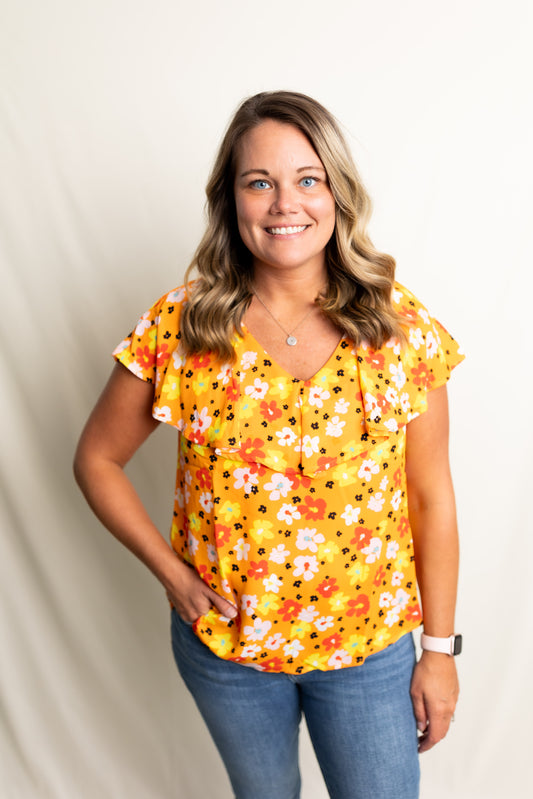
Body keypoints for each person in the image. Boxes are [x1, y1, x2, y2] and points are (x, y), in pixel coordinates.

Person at [74, 90, 464, 799]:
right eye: (259, 182)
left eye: (307, 179)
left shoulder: (397, 328)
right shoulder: (183, 326)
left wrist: (437, 651)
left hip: (367, 650)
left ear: (337, 194)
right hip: (228, 653)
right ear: (231, 201)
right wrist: (173, 575)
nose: (285, 203)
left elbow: (429, 495)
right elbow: (96, 459)